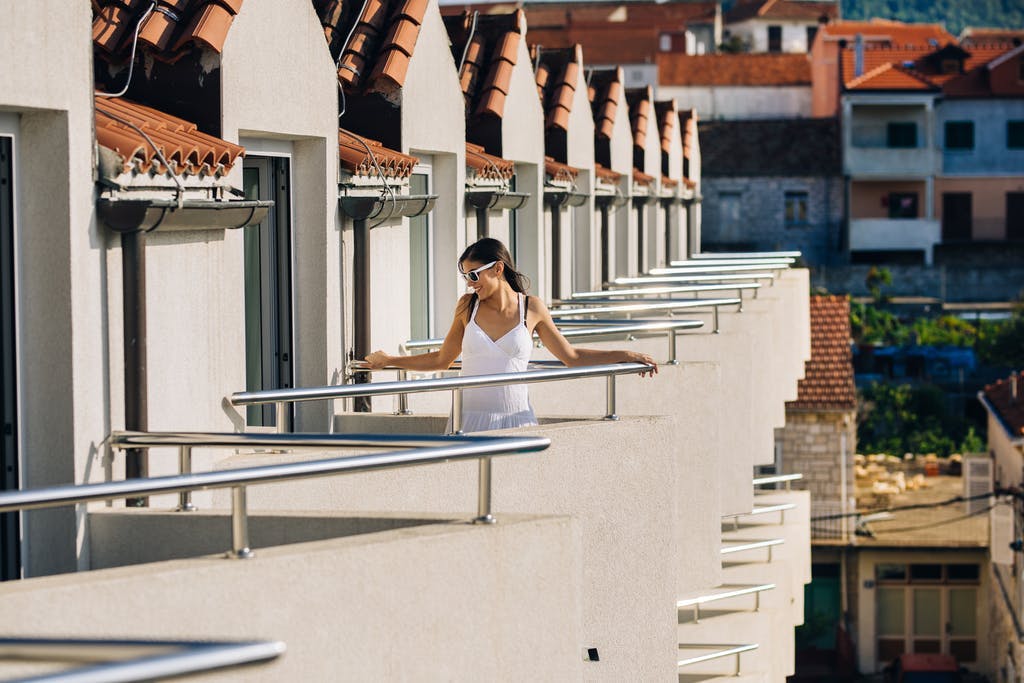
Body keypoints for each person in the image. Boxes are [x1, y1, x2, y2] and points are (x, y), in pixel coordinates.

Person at [364, 238, 657, 433]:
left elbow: (572, 357)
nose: (469, 283)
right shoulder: (467, 306)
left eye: (474, 275)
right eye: (465, 277)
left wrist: (626, 355)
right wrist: (389, 360)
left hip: (516, 419)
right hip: (468, 420)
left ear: (498, 268)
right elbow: (442, 360)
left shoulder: (532, 308)